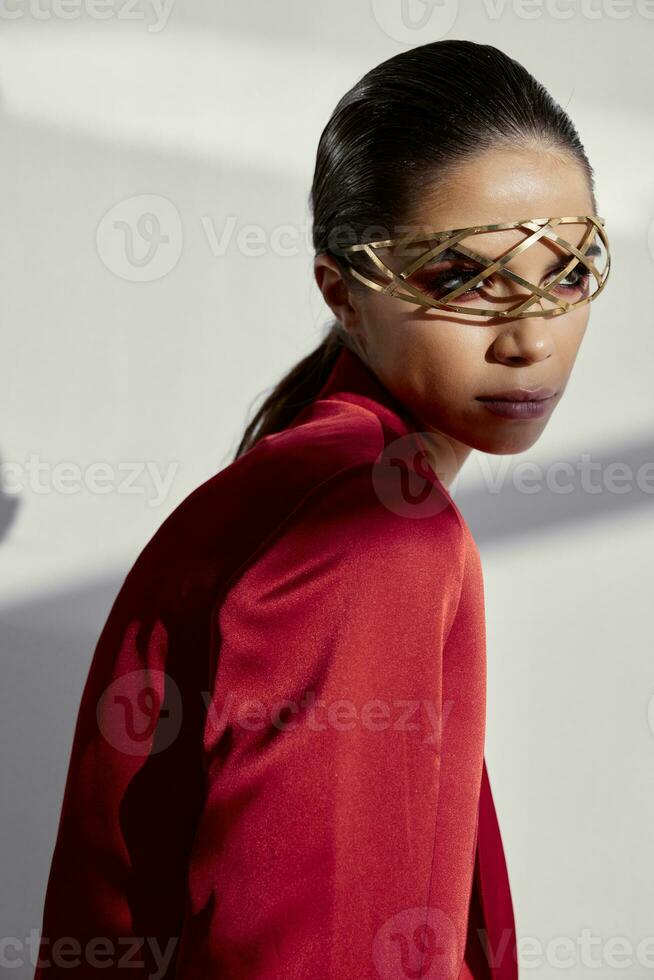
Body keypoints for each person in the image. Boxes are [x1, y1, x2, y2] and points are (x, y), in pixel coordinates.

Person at [33, 39, 610, 980]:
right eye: (461, 278)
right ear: (342, 293)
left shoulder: (307, 485)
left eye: (571, 269)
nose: (531, 335)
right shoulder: (369, 531)